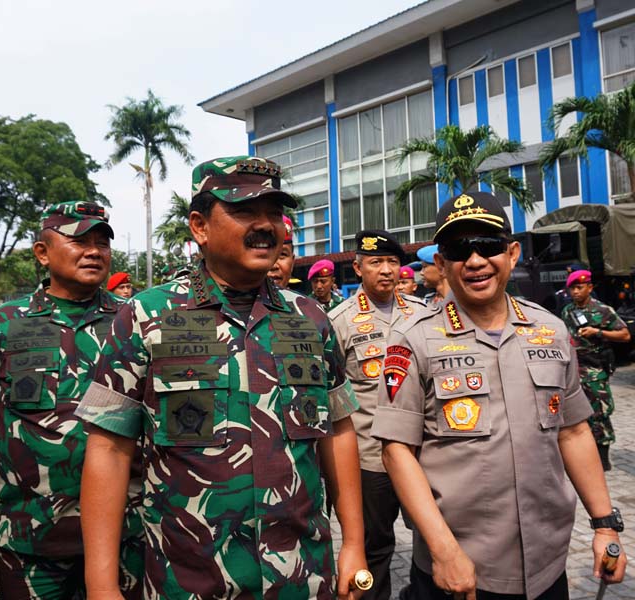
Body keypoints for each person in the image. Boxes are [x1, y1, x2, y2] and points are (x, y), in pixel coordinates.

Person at [76, 155, 368, 599]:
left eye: (274, 212)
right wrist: (100, 584)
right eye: (245, 210)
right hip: (188, 580)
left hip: (302, 578)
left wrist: (355, 547)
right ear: (199, 226)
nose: (266, 225)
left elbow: (339, 432)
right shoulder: (146, 316)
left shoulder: (310, 317)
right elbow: (109, 450)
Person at [372, 191, 627, 599]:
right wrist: (444, 550)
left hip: (546, 565)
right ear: (441, 263)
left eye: (488, 245)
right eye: (459, 249)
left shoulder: (550, 330)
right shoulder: (413, 339)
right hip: (460, 571)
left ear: (510, 253)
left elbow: (574, 432)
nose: (475, 261)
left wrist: (604, 523)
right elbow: (396, 450)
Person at [0, 201, 140, 600]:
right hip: (29, 536)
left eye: (102, 242)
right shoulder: (3, 325)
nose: (94, 251)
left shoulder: (133, 321)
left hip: (126, 534)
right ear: (42, 253)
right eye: (79, 240)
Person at [329, 230, 426, 600]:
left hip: (421, 454)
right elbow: (332, 397)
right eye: (376, 263)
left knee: (431, 540)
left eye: (392, 262)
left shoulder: (421, 314)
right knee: (374, 547)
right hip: (370, 458)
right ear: (357, 268)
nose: (386, 270)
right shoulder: (340, 321)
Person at [561, 269, 631, 471]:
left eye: (579, 287)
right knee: (577, 413)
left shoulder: (603, 310)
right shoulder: (567, 311)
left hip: (595, 370)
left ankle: (603, 459)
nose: (575, 292)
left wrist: (597, 332)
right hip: (575, 370)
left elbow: (625, 334)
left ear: (589, 288)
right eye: (572, 288)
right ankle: (583, 455)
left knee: (599, 413)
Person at [267, 214, 296, 288]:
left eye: (282, 254)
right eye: (265, 254)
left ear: (292, 262)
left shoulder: (302, 299)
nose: (273, 266)